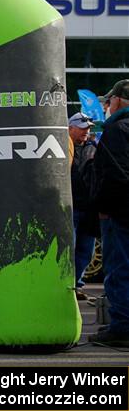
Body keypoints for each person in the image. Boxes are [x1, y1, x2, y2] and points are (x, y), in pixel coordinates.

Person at [88, 80, 129, 348]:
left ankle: (123, 327)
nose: (106, 106)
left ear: (118, 101)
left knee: (120, 268)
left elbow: (116, 175)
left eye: (109, 100)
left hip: (121, 213)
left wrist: (103, 206)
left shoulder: (117, 129)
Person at [68, 113, 97, 300]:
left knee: (86, 250)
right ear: (70, 128)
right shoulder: (62, 147)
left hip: (89, 207)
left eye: (88, 127)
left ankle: (76, 285)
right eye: (82, 127)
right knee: (70, 249)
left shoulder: (93, 147)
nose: (87, 131)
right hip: (70, 207)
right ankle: (68, 286)